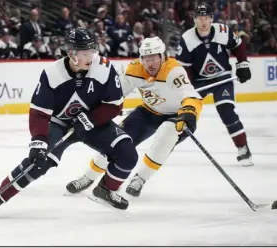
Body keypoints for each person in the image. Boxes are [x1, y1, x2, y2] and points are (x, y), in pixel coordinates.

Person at [0, 28, 138, 214]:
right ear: (71, 53)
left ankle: (105, 189)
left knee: (127, 153)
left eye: (92, 51)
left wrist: (90, 119)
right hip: (58, 124)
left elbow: (115, 105)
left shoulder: (103, 68)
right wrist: (38, 142)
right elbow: (39, 113)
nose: (90, 56)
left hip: (92, 123)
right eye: (85, 53)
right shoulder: (52, 74)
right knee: (38, 162)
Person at [65, 36, 203, 197]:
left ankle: (141, 178)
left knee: (167, 135)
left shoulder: (174, 70)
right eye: (146, 58)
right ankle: (88, 177)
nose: (149, 64)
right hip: (148, 112)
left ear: (163, 57)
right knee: (116, 141)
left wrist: (189, 113)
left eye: (153, 58)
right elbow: (115, 94)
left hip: (177, 115)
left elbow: (191, 96)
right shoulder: (135, 69)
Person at [175, 4, 253, 166]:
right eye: (200, 18)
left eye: (206, 18)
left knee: (226, 110)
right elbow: (185, 68)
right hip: (198, 80)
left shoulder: (223, 32)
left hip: (221, 77)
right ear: (194, 19)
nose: (203, 22)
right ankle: (168, 144)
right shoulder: (187, 39)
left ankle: (243, 148)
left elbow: (238, 46)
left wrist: (243, 64)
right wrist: (187, 89)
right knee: (184, 111)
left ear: (211, 19)